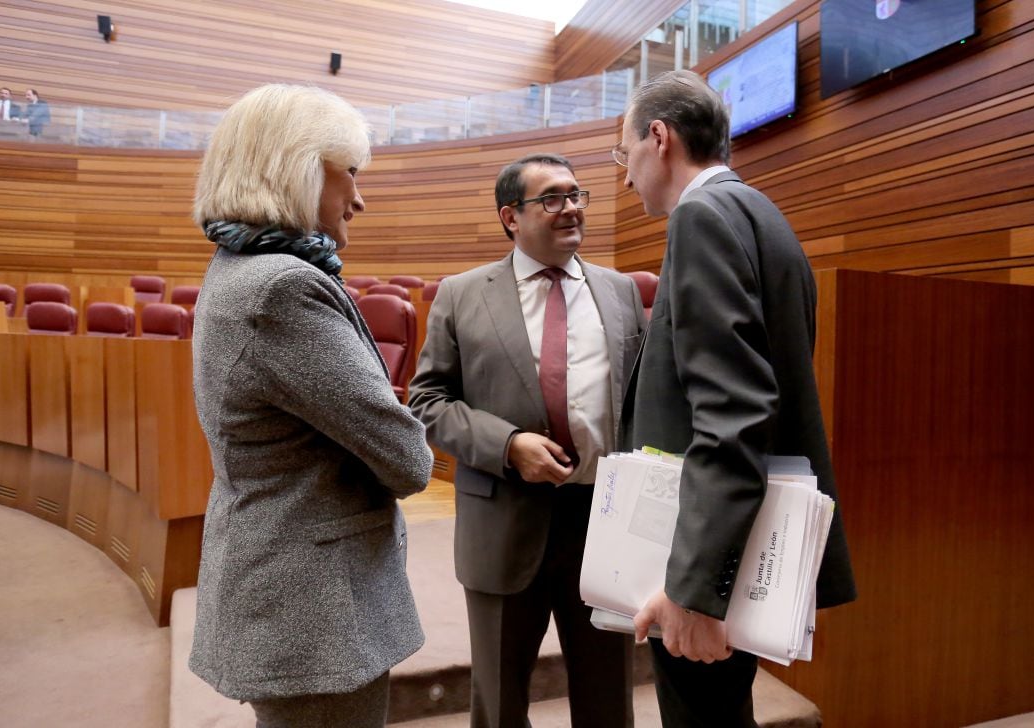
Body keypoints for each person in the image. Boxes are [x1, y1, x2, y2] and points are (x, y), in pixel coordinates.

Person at [615, 70, 857, 727]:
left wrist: (696, 591)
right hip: (741, 544)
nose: (625, 174)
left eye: (624, 152)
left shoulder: (700, 217)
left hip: (709, 556)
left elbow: (733, 413)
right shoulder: (764, 216)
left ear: (658, 138)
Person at [188, 84, 433, 728]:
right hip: (314, 602)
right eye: (347, 172)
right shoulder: (284, 289)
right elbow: (407, 458)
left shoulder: (237, 268)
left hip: (285, 582)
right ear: (297, 169)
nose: (359, 196)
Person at [409, 152, 647, 728]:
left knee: (610, 696)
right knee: (499, 699)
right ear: (510, 217)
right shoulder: (462, 294)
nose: (570, 209)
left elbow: (643, 402)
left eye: (575, 195)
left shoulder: (620, 292)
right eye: (551, 199)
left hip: (603, 521)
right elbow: (428, 401)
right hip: (503, 520)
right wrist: (508, 444)